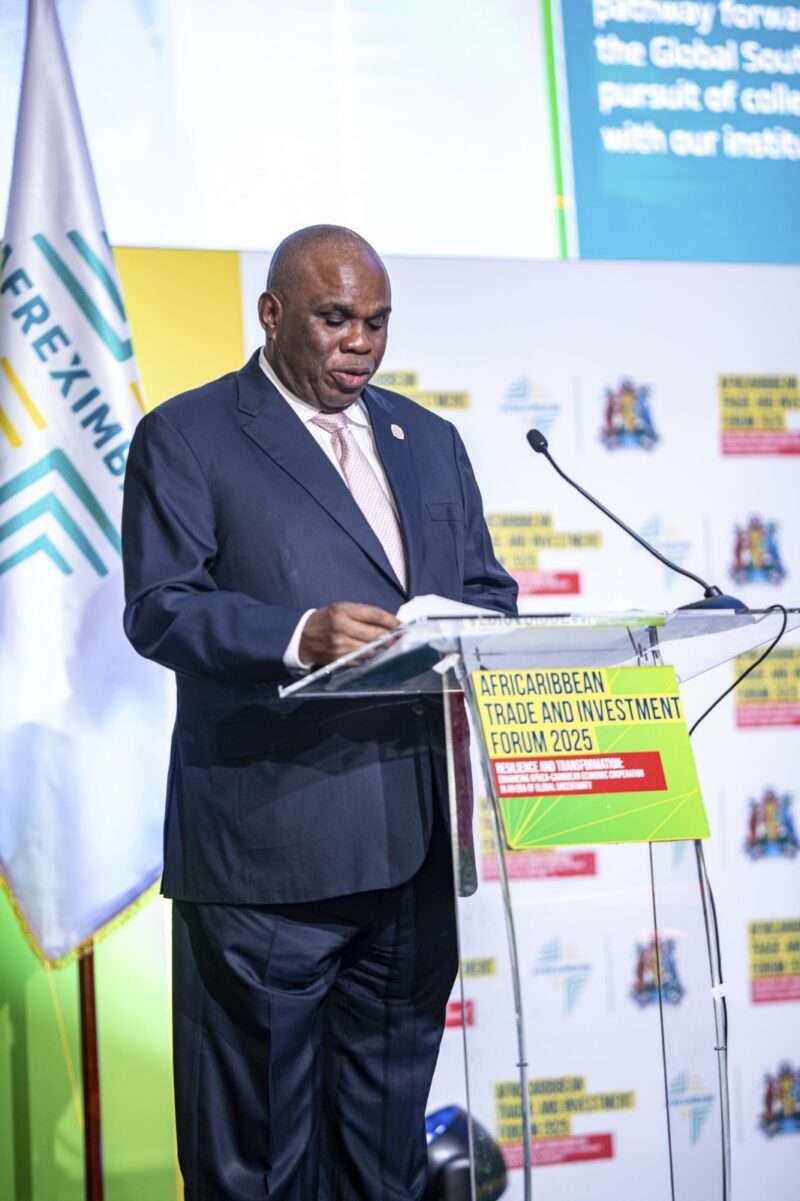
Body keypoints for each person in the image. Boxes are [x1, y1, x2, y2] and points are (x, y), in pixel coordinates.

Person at [121, 224, 517, 1201]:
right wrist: (299, 634)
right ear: (272, 313)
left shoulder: (429, 441)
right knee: (256, 1166)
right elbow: (161, 607)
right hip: (266, 857)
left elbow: (487, 590)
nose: (360, 343)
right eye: (336, 318)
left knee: (380, 1165)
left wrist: (471, 626)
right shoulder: (188, 434)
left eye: (376, 322)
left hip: (413, 857)